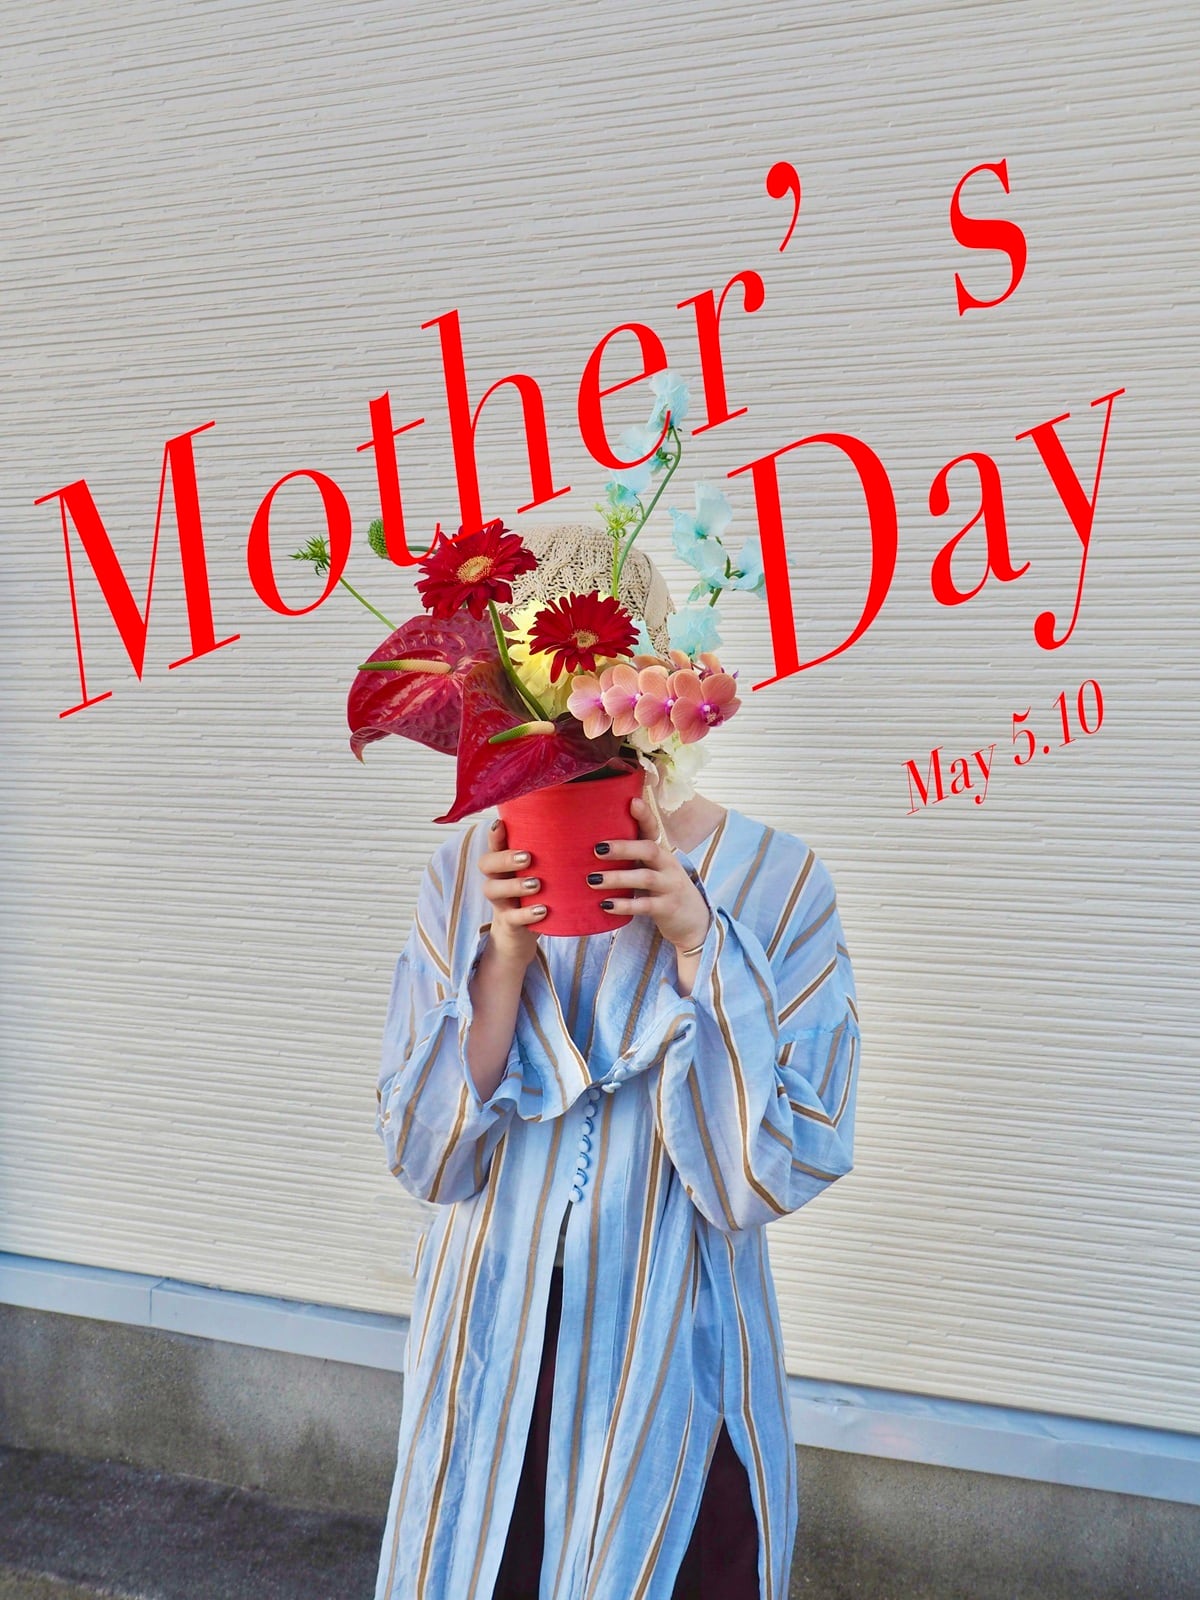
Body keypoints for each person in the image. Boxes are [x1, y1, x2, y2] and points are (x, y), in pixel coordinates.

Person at [372, 530, 862, 1600]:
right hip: (492, 1348)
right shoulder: (464, 873)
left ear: (656, 695)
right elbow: (424, 1157)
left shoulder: (778, 883)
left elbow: (766, 1172)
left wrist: (700, 942)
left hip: (675, 1358)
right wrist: (503, 959)